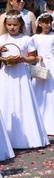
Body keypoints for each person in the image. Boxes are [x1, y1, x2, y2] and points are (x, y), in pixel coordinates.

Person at [0, 12, 50, 149]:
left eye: (14, 25)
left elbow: (33, 58)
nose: (12, 27)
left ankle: (26, 137)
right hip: (6, 74)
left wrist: (22, 59)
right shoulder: (2, 38)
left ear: (20, 24)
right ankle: (6, 137)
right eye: (9, 25)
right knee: (6, 100)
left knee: (22, 101)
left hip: (20, 73)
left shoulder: (27, 39)